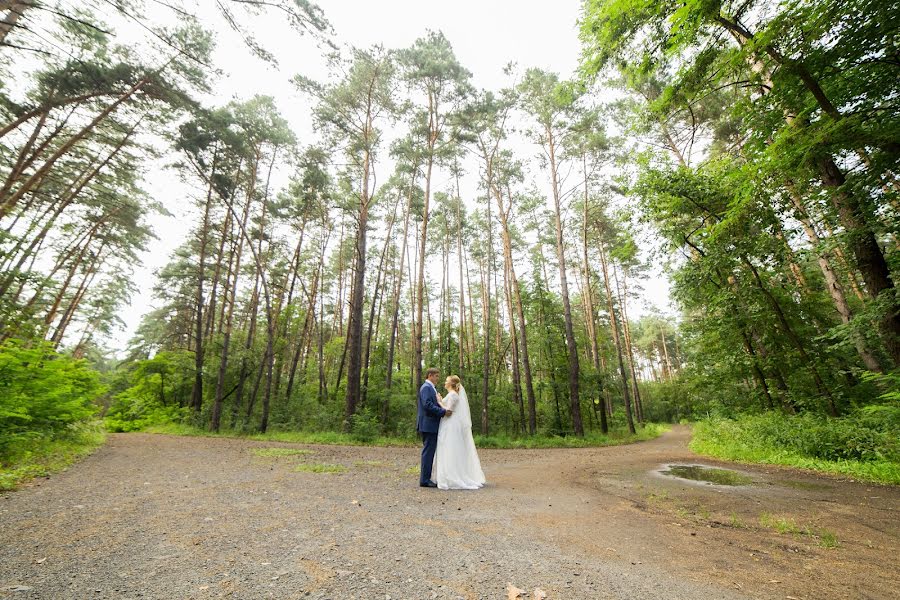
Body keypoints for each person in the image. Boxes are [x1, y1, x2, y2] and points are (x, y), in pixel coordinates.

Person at [433, 375, 486, 490]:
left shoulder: (453, 395)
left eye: (446, 381)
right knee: (448, 448)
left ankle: (452, 475)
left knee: (450, 448)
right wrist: (442, 401)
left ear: (451, 384)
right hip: (448, 424)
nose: (444, 382)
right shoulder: (452, 394)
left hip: (451, 425)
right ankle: (448, 474)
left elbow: (449, 411)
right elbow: (447, 406)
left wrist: (439, 402)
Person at [416, 367, 451, 488]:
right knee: (428, 452)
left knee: (430, 452)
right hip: (428, 424)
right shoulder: (426, 388)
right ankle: (425, 480)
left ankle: (426, 478)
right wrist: (442, 412)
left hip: (430, 424)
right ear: (430, 375)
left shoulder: (431, 388)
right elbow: (427, 405)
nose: (437, 378)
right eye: (436, 376)